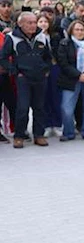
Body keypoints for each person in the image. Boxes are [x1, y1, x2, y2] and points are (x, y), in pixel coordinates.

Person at [0, 11, 52, 148]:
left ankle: (39, 135)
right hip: (23, 78)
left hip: (40, 78)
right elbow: (3, 58)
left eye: (35, 22)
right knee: (22, 108)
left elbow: (48, 57)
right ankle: (19, 136)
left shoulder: (42, 37)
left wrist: (46, 70)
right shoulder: (11, 38)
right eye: (29, 23)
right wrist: (14, 72)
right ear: (20, 23)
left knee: (39, 107)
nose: (33, 25)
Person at [57, 19, 84, 142]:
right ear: (71, 30)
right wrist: (78, 75)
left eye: (82, 30)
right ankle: (69, 132)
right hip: (71, 79)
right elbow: (63, 63)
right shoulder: (64, 44)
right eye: (77, 29)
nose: (80, 32)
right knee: (66, 108)